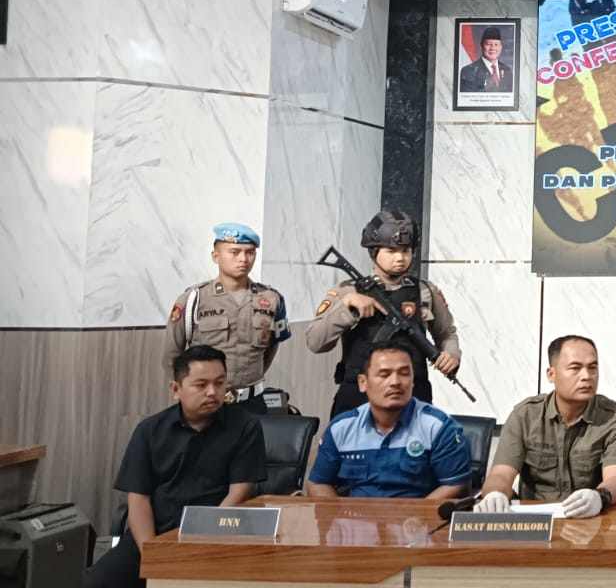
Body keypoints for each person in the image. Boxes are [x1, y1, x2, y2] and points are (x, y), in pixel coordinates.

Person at [79, 346, 265, 588]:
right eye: (201, 384)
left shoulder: (244, 426)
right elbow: (138, 497)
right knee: (96, 586)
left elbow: (240, 491)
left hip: (215, 536)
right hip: (155, 536)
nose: (213, 392)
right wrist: (152, 553)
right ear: (176, 388)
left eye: (220, 383)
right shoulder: (150, 430)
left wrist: (202, 538)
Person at [304, 210, 462, 419]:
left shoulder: (426, 291)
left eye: (406, 250)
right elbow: (315, 342)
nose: (400, 258)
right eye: (391, 250)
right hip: (359, 398)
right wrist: (348, 307)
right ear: (374, 251)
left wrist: (451, 355)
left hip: (412, 396)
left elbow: (446, 333)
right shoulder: (348, 291)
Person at [477, 336, 616, 518]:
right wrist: (495, 494)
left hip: (591, 517)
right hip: (536, 521)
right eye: (575, 368)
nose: (586, 376)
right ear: (551, 374)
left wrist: (599, 497)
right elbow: (501, 474)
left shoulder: (615, 418)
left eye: (593, 368)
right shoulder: (525, 415)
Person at [305, 336, 471, 499]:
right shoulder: (341, 428)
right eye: (384, 374)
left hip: (415, 515)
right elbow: (318, 483)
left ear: (413, 381)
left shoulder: (438, 427)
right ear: (363, 382)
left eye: (404, 373)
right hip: (355, 515)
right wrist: (339, 514)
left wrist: (417, 514)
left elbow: (455, 485)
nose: (395, 382)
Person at [163, 222, 289, 412]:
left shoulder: (271, 299)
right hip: (205, 402)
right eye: (234, 252)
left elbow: (271, 348)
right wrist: (188, 395)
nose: (243, 259)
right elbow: (171, 354)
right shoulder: (194, 299)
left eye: (250, 252)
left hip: (253, 403)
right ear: (216, 256)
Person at [459, 25, 512, 92]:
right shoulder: (468, 71)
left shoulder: (507, 70)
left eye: (496, 44)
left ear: (501, 47)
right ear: (481, 46)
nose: (492, 48)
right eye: (488, 44)